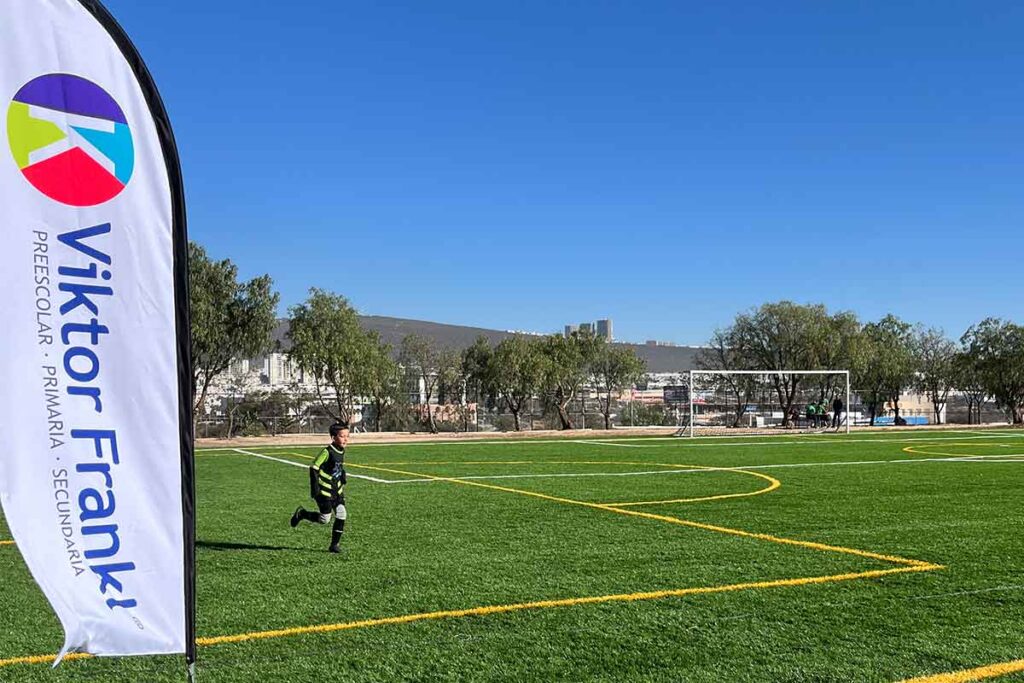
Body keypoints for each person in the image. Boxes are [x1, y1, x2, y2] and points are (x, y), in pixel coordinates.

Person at [290, 421, 349, 553]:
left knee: (342, 514)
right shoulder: (327, 452)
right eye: (342, 436)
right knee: (325, 519)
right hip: (324, 491)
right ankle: (302, 514)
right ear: (333, 437)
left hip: (337, 490)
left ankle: (334, 545)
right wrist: (315, 488)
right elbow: (314, 468)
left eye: (347, 436)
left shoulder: (341, 450)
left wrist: (342, 474)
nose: (345, 439)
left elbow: (336, 466)